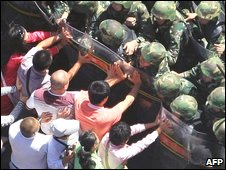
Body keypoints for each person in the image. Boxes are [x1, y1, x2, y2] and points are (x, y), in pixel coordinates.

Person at [1, 33, 66, 127]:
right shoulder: (27, 63)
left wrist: (16, 91)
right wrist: (61, 39)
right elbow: (41, 45)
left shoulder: (46, 82)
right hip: (23, 105)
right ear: (48, 67)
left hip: (16, 99)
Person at [75, 66, 142, 140]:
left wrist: (115, 78)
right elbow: (128, 101)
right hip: (95, 142)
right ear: (105, 99)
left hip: (82, 135)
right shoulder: (107, 116)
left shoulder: (80, 99)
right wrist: (138, 84)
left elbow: (97, 89)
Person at [98, 117, 170, 169]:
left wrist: (154, 123)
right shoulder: (121, 154)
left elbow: (134, 129)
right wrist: (160, 128)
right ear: (125, 141)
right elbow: (143, 143)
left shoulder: (107, 137)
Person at [150, 1, 198, 72]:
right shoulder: (164, 12)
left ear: (168, 18)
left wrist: (153, 56)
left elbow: (172, 58)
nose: (155, 19)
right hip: (166, 39)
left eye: (159, 18)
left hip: (183, 56)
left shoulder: (176, 29)